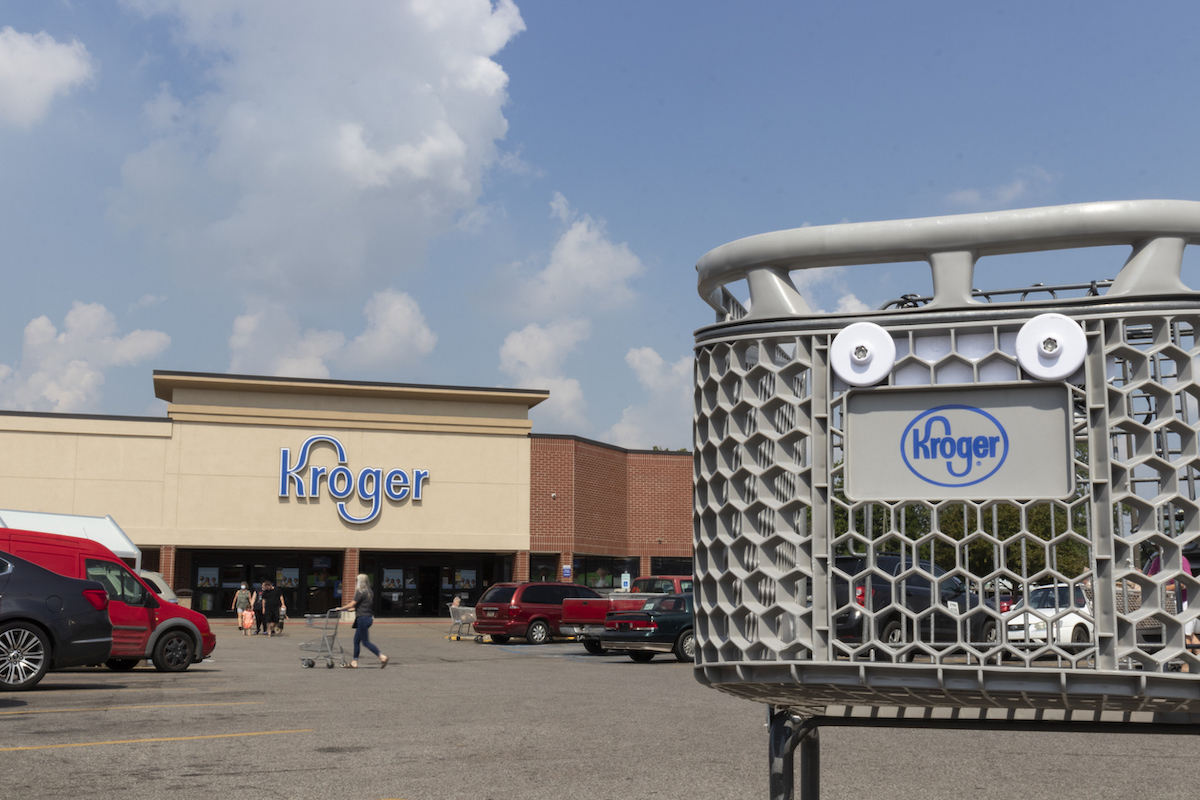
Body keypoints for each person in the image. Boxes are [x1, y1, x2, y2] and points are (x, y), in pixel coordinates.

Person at [1146, 550, 1197, 672]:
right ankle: (1196, 658)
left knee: (1185, 634)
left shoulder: (1181, 560)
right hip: (1171, 601)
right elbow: (1149, 576)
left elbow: (1186, 581)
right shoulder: (1158, 560)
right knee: (1188, 634)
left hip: (1187, 600)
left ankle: (1186, 664)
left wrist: (1165, 587)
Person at [337, 574, 388, 669]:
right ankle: (354, 662)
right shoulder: (370, 592)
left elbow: (352, 604)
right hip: (368, 617)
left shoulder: (360, 592)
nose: (356, 582)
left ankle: (382, 656)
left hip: (362, 619)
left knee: (365, 642)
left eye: (357, 580)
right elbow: (362, 605)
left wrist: (341, 608)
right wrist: (353, 609)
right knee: (356, 641)